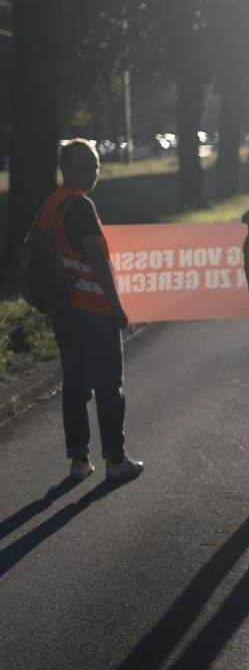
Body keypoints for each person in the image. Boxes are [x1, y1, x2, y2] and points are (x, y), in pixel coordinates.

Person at [29, 139, 142, 482]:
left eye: (95, 166)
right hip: (92, 308)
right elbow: (98, 259)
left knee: (75, 387)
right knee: (109, 386)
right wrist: (117, 307)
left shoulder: (51, 204)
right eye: (83, 167)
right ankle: (116, 461)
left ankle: (79, 461)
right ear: (66, 168)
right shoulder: (80, 206)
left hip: (63, 308)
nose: (91, 173)